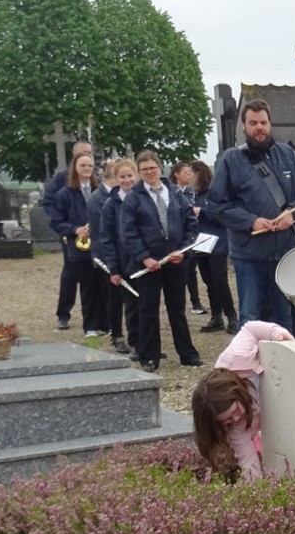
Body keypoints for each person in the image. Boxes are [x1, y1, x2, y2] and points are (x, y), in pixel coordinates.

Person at [203, 99, 295, 332]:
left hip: (283, 252)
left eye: (263, 122)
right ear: (244, 126)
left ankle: (282, 367)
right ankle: (252, 368)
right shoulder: (231, 160)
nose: (259, 127)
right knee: (251, 319)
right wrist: (250, 221)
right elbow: (216, 204)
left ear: (270, 124)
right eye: (253, 123)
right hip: (249, 254)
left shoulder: (288, 156)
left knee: (283, 320)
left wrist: (291, 214)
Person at [189, 321, 295, 479]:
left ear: (234, 392)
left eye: (235, 412)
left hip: (277, 368)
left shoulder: (237, 356)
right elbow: (247, 458)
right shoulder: (236, 425)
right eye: (227, 421)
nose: (236, 419)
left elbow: (250, 329)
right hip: (263, 400)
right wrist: (257, 488)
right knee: (261, 450)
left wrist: (277, 333)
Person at [118, 149, 202, 373]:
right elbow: (128, 232)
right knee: (148, 310)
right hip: (149, 265)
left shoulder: (174, 193)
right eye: (144, 170)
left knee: (177, 309)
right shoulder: (133, 198)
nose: (149, 173)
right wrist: (144, 257)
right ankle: (149, 356)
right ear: (139, 172)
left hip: (175, 262)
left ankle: (187, 353)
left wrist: (183, 250)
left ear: (160, 168)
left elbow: (190, 223)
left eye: (152, 168)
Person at [47, 150, 107, 339]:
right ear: (75, 168)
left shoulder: (100, 191)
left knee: (104, 287)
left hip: (101, 245)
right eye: (83, 165)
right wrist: (75, 229)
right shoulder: (64, 194)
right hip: (79, 246)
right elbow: (56, 221)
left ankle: (106, 324)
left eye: (90, 165)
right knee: (87, 288)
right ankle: (90, 326)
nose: (87, 168)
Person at [44, 138, 94, 329]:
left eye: (90, 152)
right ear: (74, 155)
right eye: (84, 152)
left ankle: (96, 316)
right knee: (70, 274)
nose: (87, 156)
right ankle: (64, 313)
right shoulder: (61, 178)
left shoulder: (94, 175)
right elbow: (49, 202)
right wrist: (67, 228)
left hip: (93, 235)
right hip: (72, 235)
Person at [181, 160, 235, 335]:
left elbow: (221, 214)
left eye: (190, 173)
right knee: (208, 281)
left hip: (217, 242)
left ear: (198, 174)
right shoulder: (193, 194)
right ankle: (216, 315)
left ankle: (232, 317)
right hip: (201, 242)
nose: (187, 178)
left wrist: (201, 211)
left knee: (220, 280)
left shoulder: (214, 192)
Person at [94, 157, 139, 357]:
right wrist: (113, 267)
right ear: (116, 178)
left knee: (142, 304)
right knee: (124, 303)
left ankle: (143, 342)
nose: (127, 180)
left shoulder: (142, 197)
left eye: (130, 176)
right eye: (122, 177)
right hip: (120, 261)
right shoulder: (111, 205)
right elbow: (107, 236)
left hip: (140, 259)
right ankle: (125, 339)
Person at [172, 162, 208, 316]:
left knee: (192, 270)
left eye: (189, 173)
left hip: (190, 235)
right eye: (185, 173)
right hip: (175, 236)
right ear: (177, 174)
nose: (188, 176)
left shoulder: (191, 193)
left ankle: (196, 301)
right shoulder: (170, 191)